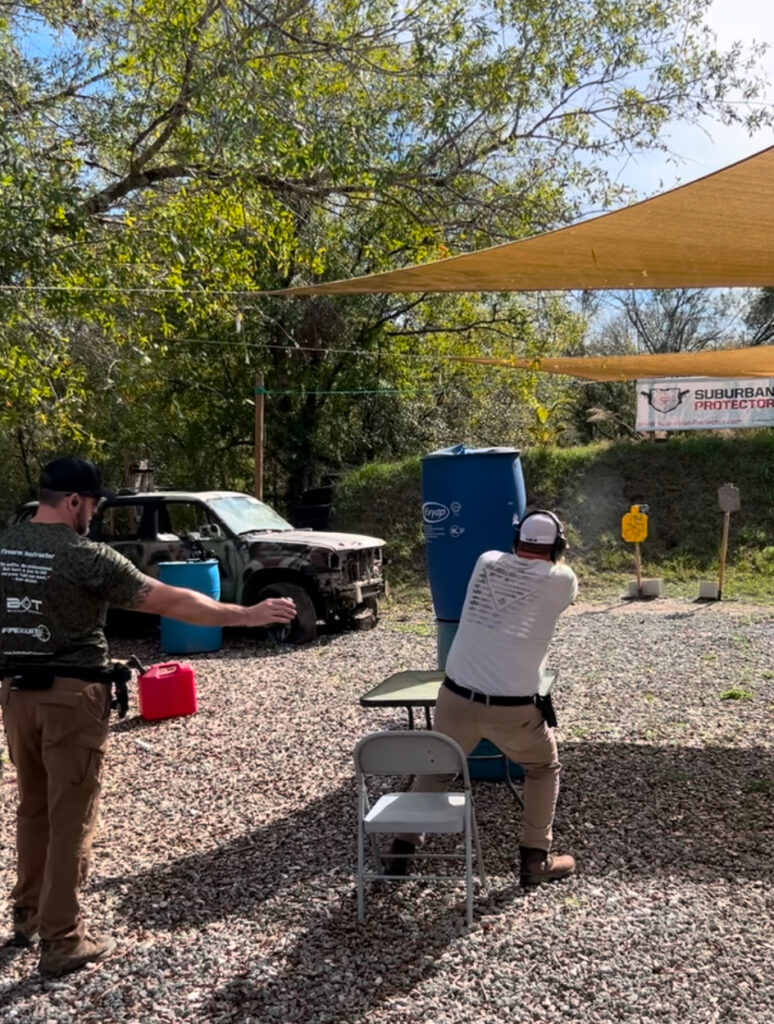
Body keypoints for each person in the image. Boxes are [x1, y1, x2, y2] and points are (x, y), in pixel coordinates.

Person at [0, 457, 296, 977]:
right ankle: (63, 939)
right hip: (72, 698)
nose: (93, 514)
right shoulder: (85, 556)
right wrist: (246, 615)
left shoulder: (5, 546)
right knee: (71, 818)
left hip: (15, 694)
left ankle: (26, 914)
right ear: (73, 501)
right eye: (92, 504)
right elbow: (174, 603)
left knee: (34, 806)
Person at [385, 510, 578, 886]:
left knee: (438, 768)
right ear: (558, 547)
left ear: (516, 539)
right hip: (514, 709)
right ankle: (535, 860)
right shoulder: (562, 579)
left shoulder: (486, 560)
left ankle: (399, 851)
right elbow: (555, 589)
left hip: (456, 698)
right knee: (542, 769)